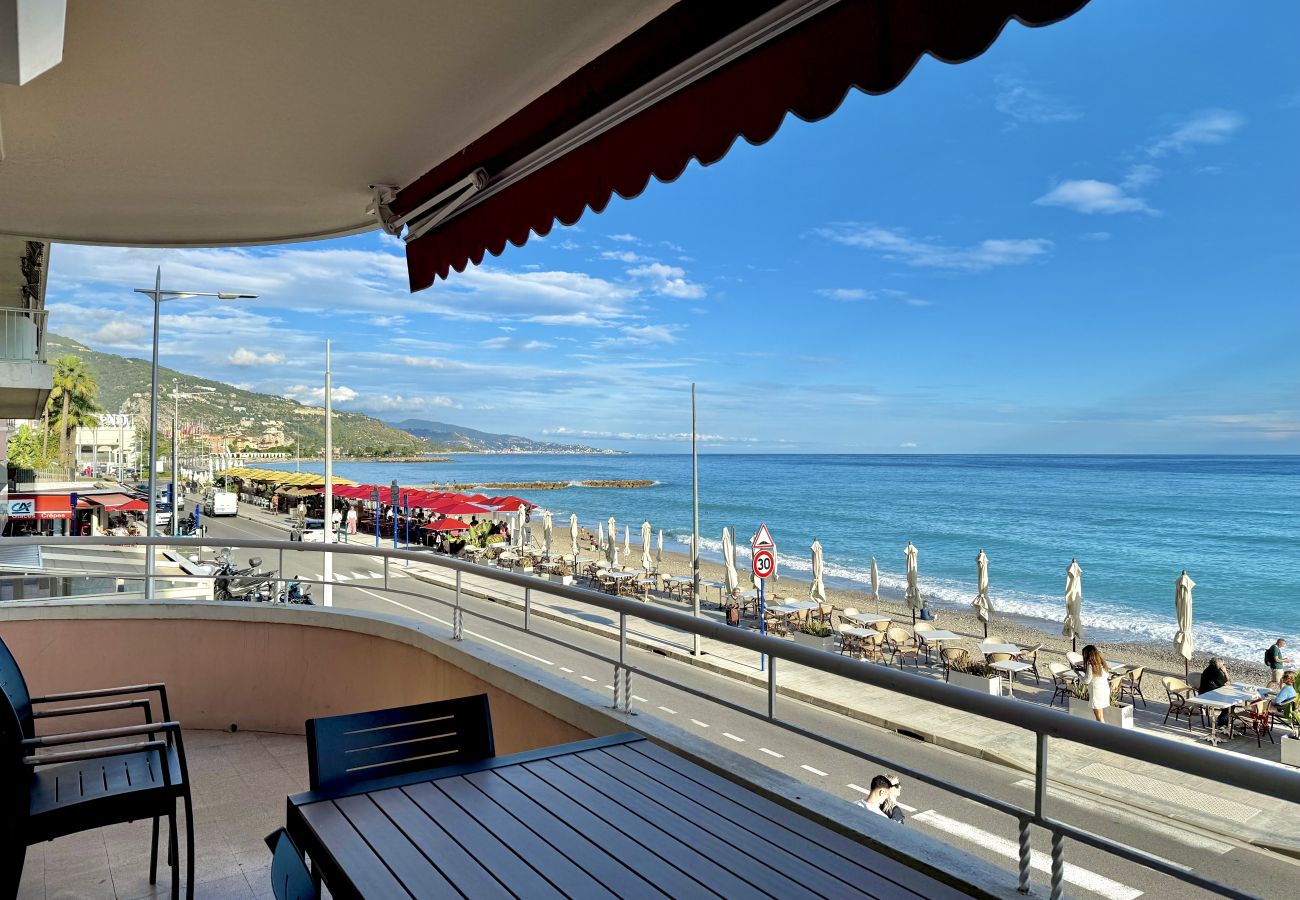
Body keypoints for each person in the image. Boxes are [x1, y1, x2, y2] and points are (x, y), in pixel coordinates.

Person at [1081, 644, 1110, 723]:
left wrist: (1079, 675)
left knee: (1099, 717)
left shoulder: (1091, 666)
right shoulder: (1102, 663)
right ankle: (1104, 732)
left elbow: (1086, 681)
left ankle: (1103, 733)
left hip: (1096, 692)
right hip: (1104, 689)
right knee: (1101, 716)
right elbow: (1106, 675)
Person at [1200, 657, 1232, 727]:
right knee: (1230, 704)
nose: (1224, 665)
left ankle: (1223, 720)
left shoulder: (1207, 669)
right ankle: (1221, 721)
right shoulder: (1217, 672)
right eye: (1223, 664)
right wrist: (1225, 671)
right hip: (1210, 696)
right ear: (1219, 664)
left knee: (1228, 702)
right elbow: (1229, 683)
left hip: (1203, 694)